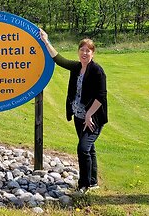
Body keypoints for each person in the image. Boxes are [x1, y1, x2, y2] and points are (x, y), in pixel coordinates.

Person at [39, 28, 108, 193]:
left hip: (93, 118)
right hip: (78, 116)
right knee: (89, 149)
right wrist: (45, 41)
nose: (84, 53)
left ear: (93, 53)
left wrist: (90, 114)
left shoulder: (97, 71)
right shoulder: (77, 67)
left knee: (83, 148)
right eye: (82, 50)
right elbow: (59, 59)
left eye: (88, 51)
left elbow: (101, 96)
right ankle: (93, 182)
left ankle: (83, 185)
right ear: (78, 52)